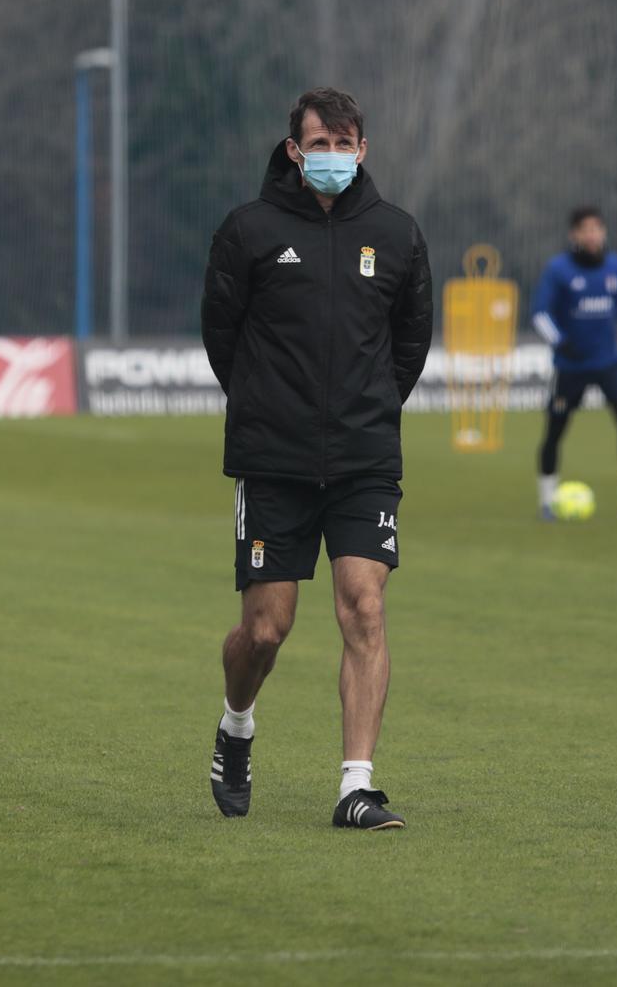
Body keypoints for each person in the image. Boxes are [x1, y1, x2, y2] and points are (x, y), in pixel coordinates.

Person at [200, 87, 433, 830]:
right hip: (274, 459)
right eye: (318, 144)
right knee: (266, 630)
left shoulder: (397, 234)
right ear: (295, 151)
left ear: (362, 150)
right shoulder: (250, 230)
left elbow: (410, 344)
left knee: (365, 605)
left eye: (344, 144)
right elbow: (221, 337)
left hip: (365, 458)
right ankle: (236, 725)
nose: (332, 157)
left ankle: (355, 786)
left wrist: (366, 410)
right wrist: (269, 409)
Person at [530, 206, 617, 522]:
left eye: (597, 228)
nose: (592, 235)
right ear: (574, 234)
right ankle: (547, 502)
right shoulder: (558, 270)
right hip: (571, 366)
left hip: (609, 362)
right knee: (555, 430)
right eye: (585, 229)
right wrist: (561, 342)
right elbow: (540, 313)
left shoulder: (615, 266)